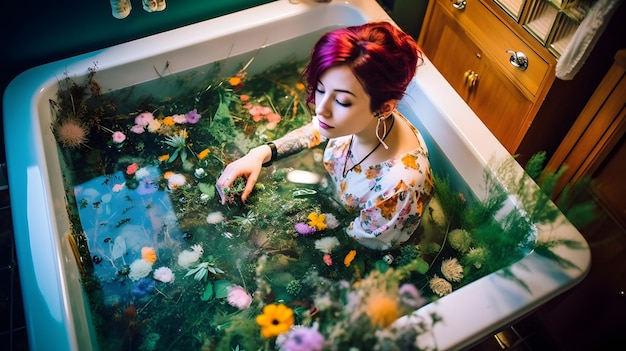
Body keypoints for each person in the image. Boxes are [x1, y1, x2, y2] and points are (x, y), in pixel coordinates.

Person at [216, 21, 434, 250]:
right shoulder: (359, 121)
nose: (321, 108)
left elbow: (360, 247)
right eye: (320, 89)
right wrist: (260, 153)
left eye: (342, 101)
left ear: (385, 108)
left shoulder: (398, 188)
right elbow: (315, 130)